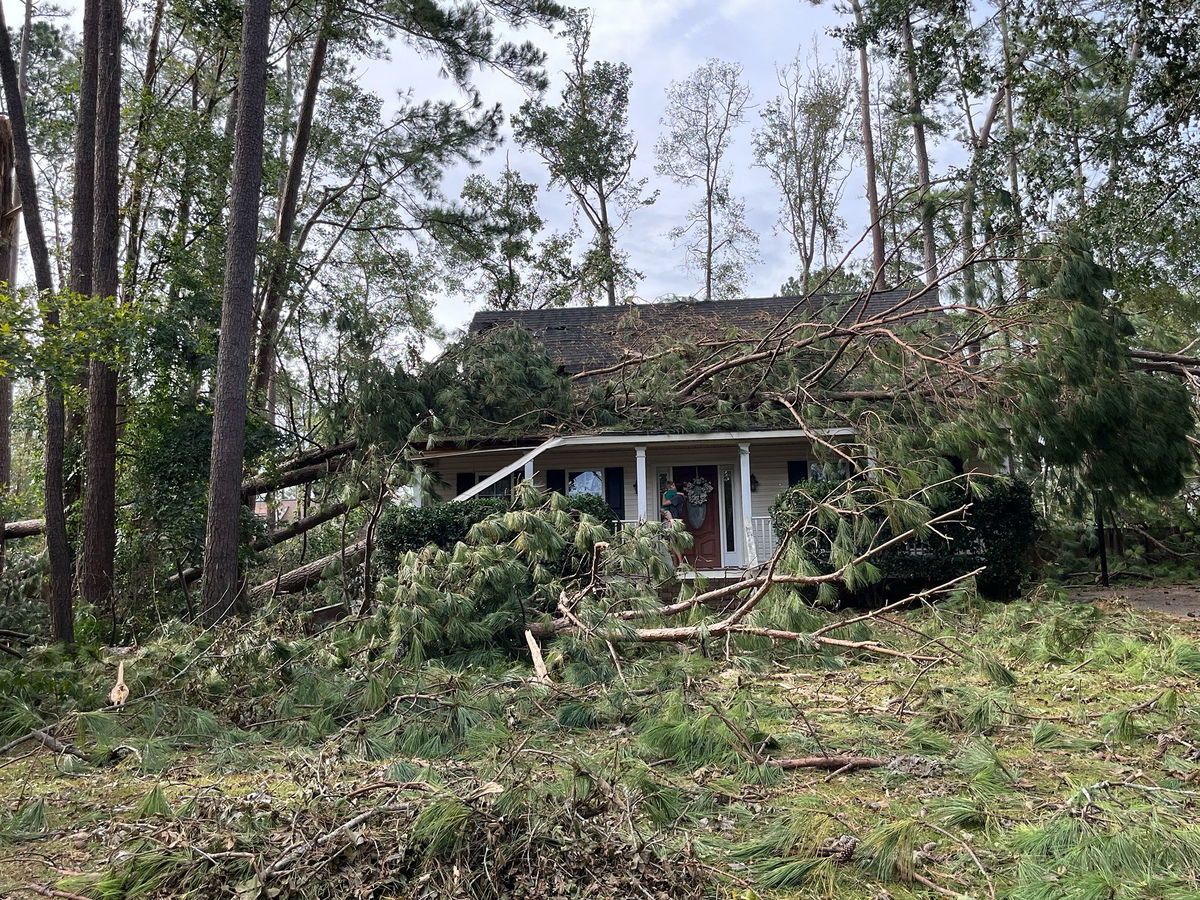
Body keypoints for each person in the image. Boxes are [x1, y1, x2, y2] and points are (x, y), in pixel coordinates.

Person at [660, 481, 685, 566]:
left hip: (674, 520)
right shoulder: (675, 495)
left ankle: (681, 562)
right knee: (671, 543)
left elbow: (664, 503)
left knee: (674, 542)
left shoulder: (677, 497)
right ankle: (675, 564)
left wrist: (663, 495)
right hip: (669, 519)